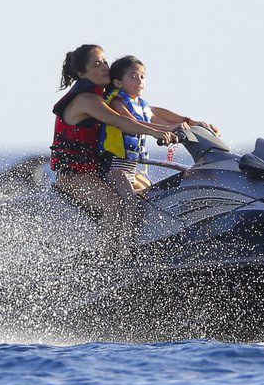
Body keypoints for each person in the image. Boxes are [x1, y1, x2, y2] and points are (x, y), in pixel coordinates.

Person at [49, 44, 180, 255]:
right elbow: (120, 122)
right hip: (74, 176)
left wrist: (190, 123)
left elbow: (150, 111)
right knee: (114, 205)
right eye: (97, 64)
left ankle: (153, 247)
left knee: (153, 194)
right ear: (83, 73)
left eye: (105, 62)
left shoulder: (104, 96)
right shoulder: (86, 101)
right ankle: (108, 261)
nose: (104, 68)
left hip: (95, 172)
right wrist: (157, 133)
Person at [102, 55, 219, 192]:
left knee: (155, 195)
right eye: (133, 77)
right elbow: (134, 123)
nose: (139, 81)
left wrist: (196, 125)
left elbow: (166, 119)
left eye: (142, 77)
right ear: (118, 83)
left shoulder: (142, 107)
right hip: (115, 169)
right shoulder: (117, 103)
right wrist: (168, 129)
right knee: (132, 204)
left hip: (132, 170)